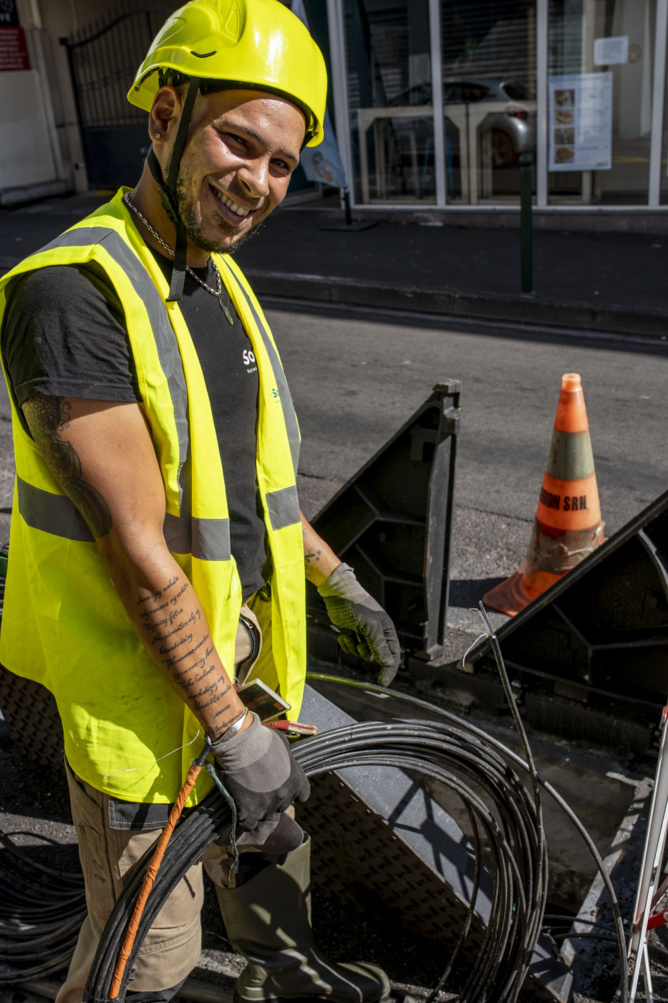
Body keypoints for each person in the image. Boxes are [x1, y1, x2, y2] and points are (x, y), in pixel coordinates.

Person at [0, 2, 401, 1001]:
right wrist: (230, 733)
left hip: (244, 674)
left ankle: (279, 975)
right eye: (237, 143)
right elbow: (138, 550)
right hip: (149, 714)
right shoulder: (72, 296)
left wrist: (332, 574)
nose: (257, 184)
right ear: (164, 113)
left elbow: (243, 483)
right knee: (148, 958)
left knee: (272, 879)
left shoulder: (214, 277)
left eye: (280, 164)